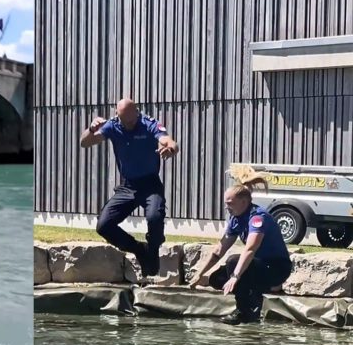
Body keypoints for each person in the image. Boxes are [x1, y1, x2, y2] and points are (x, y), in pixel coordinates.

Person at [79, 98, 180, 277]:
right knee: (104, 226)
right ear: (117, 115)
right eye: (124, 121)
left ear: (137, 112)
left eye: (131, 121)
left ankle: (153, 249)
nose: (128, 125)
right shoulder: (112, 126)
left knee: (155, 217)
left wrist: (170, 149)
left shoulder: (148, 123)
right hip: (128, 186)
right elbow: (85, 143)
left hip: (150, 184)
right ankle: (139, 249)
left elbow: (169, 141)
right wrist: (91, 129)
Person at [188, 178, 293, 325]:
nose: (226, 207)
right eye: (225, 203)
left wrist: (235, 277)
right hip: (257, 266)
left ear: (243, 202)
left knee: (233, 262)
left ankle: (244, 311)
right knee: (217, 279)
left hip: (276, 268)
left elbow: (250, 249)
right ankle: (255, 296)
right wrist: (199, 274)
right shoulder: (235, 219)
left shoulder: (257, 218)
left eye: (229, 203)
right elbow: (220, 249)